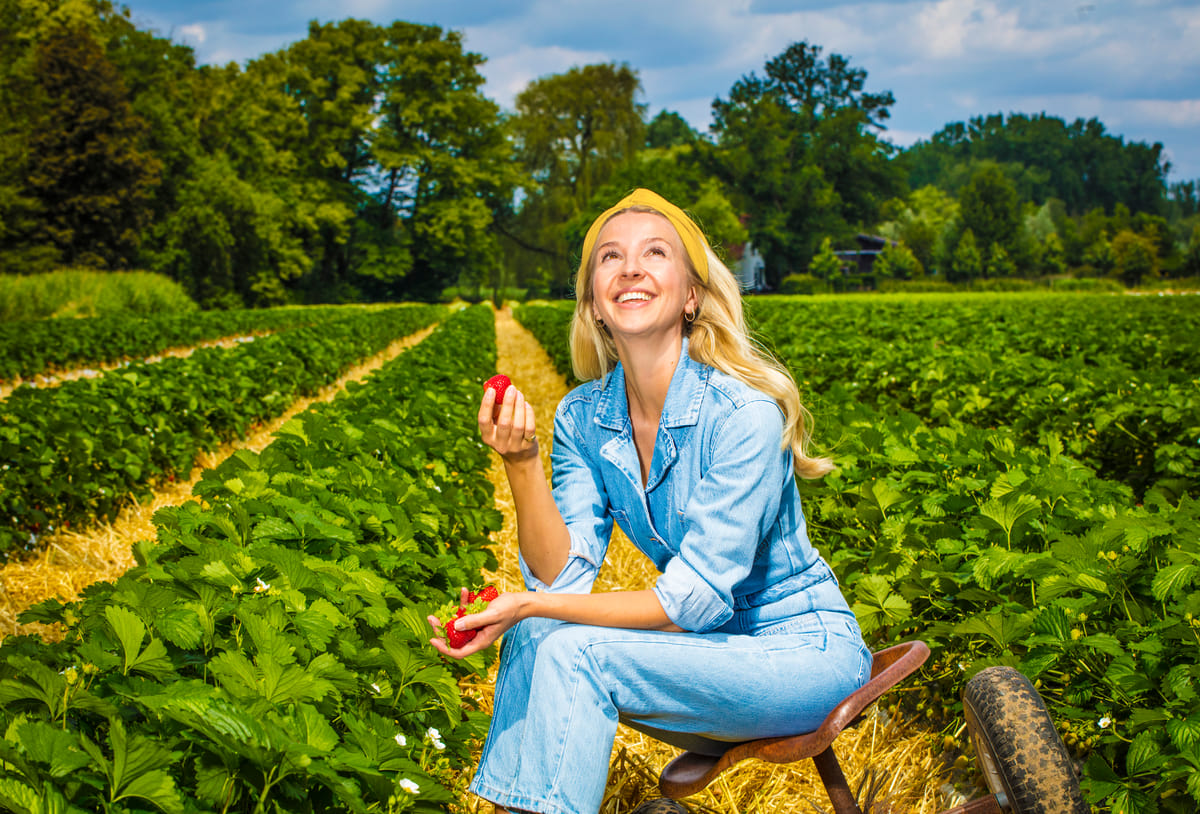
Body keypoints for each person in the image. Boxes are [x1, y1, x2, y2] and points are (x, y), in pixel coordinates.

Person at [428, 188, 870, 814]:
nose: (630, 268)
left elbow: (692, 601)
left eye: (654, 253)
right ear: (594, 304)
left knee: (560, 634)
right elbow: (563, 574)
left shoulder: (743, 415)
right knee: (540, 632)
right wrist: (521, 461)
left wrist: (527, 604)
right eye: (610, 257)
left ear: (692, 295)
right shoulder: (584, 416)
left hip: (798, 653)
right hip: (702, 661)